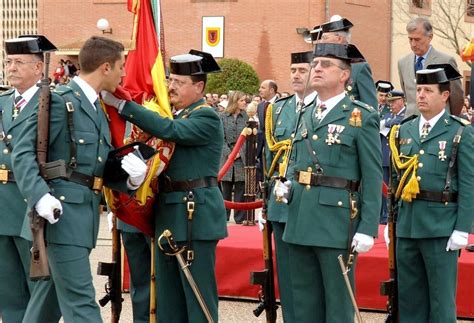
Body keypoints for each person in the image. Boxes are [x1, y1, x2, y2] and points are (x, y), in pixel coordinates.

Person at [12, 36, 147, 322]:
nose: (124, 73)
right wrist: (40, 196)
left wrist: (129, 178)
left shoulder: (95, 106)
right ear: (106, 67)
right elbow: (23, 153)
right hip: (60, 216)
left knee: (45, 306)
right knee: (82, 304)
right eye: (121, 67)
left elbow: (92, 167)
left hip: (81, 217)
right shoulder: (60, 101)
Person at [102, 49, 227, 323]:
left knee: (197, 296)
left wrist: (125, 106)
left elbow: (171, 132)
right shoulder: (176, 115)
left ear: (199, 86)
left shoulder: (205, 117)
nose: (171, 87)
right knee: (168, 300)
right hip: (169, 213)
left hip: (195, 215)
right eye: (170, 80)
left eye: (179, 83)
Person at [275, 43, 382, 322]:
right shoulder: (304, 112)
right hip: (300, 218)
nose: (317, 69)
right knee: (303, 302)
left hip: (336, 222)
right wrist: (287, 186)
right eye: (316, 63)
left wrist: (368, 227)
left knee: (337, 304)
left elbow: (372, 175)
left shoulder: (360, 116)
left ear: (345, 75)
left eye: (326, 65)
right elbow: (298, 161)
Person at [388, 64, 474, 323]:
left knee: (440, 300)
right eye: (419, 89)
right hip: (408, 224)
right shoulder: (404, 130)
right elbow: (396, 179)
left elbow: (469, 183)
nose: (421, 95)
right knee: (410, 299)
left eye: (428, 90)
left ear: (445, 95)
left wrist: (462, 228)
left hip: (441, 226)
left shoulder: (460, 131)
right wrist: (393, 218)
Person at [0, 35, 61, 323]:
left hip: (31, 201)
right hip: (2, 205)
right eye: (8, 61)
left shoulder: (52, 103)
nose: (10, 67)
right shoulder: (2, 102)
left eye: (18, 62)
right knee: (8, 285)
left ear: (39, 68)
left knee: (39, 280)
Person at [264, 51, 317, 323]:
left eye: (302, 70)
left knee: (307, 278)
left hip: (310, 204)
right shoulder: (279, 109)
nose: (296, 75)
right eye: (293, 69)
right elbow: (269, 157)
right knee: (286, 276)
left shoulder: (322, 109)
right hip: (281, 204)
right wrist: (267, 201)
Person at [398, 17, 464, 117]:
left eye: (417, 39)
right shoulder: (403, 63)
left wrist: (448, 118)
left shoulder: (446, 61)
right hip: (411, 124)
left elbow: (457, 97)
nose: (413, 44)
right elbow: (408, 94)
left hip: (439, 124)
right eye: (410, 39)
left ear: (430, 37)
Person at [312, 16, 378, 109]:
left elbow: (370, 107)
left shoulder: (358, 67)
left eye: (325, 38)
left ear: (339, 39)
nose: (321, 42)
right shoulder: (318, 65)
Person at [219, 90, 249, 224]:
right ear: (235, 101)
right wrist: (229, 153)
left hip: (241, 158)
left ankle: (239, 218)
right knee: (225, 189)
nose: (244, 103)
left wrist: (239, 153)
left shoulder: (246, 117)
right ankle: (223, 217)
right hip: (226, 158)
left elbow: (249, 138)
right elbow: (220, 138)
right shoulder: (222, 117)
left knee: (240, 189)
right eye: (242, 100)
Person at [379, 90, 406, 224]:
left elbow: (397, 122)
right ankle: (384, 215)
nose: (391, 105)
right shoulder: (390, 115)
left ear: (402, 101)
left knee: (394, 188)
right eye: (390, 102)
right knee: (384, 188)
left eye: (394, 101)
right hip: (385, 156)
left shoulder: (405, 115)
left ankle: (391, 214)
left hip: (398, 158)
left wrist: (386, 122)